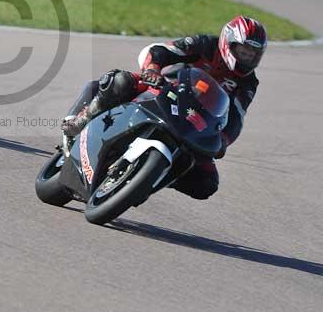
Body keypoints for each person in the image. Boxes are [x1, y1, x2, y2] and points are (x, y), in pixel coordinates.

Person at [61, 16, 267, 200]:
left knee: (206, 183)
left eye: (252, 55)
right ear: (228, 42)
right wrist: (152, 69)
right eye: (243, 51)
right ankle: (82, 120)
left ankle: (151, 177)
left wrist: (224, 140)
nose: (246, 58)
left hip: (196, 123)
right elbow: (162, 50)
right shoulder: (204, 45)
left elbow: (237, 116)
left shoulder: (248, 83)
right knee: (120, 81)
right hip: (163, 90)